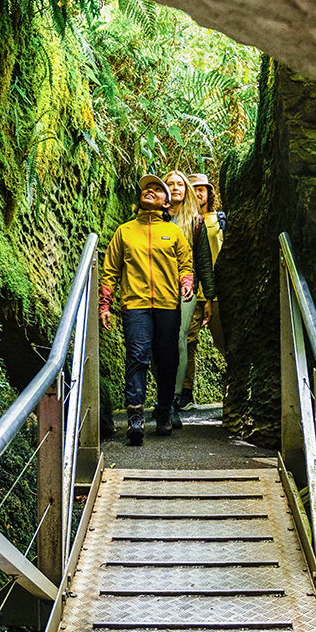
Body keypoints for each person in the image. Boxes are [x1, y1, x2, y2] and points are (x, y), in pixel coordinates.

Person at [100, 174, 194, 445]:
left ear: (166, 202)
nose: (150, 191)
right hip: (135, 304)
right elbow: (110, 271)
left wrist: (186, 281)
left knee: (167, 361)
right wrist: (105, 304)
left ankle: (163, 410)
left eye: (157, 189)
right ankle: (135, 417)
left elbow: (186, 263)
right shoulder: (124, 231)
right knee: (137, 357)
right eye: (146, 189)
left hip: (167, 304)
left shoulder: (174, 232)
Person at [163, 170, 213, 430]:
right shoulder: (152, 218)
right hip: (156, 289)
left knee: (180, 341)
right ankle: (163, 397)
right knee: (155, 346)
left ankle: (173, 401)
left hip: (186, 291)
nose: (175, 187)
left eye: (180, 184)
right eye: (170, 183)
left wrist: (209, 298)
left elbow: (203, 262)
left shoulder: (195, 223)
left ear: (186, 190)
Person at [180, 171, 225, 409]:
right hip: (190, 293)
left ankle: (234, 390)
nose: (198, 192)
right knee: (186, 343)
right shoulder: (184, 222)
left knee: (223, 341)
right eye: (193, 188)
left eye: (202, 189)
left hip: (219, 293)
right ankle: (185, 393)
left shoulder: (220, 220)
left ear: (209, 192)